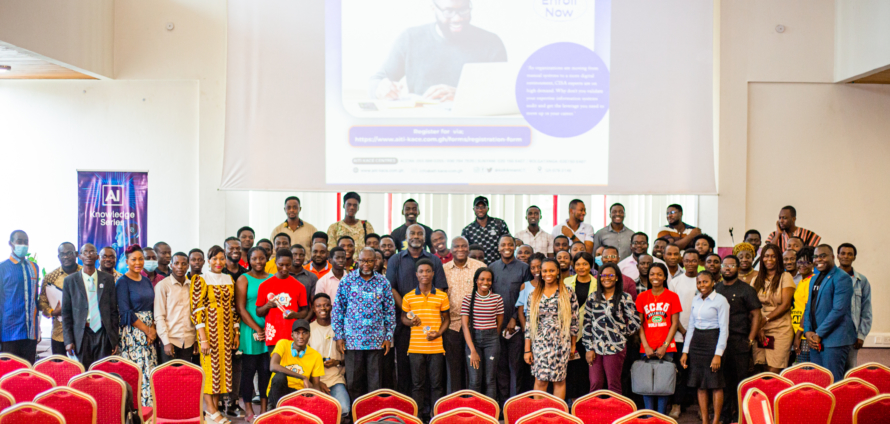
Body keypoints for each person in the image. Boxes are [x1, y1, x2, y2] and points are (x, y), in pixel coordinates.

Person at [370, 0, 506, 101]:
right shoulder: (410, 38)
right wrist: (381, 89)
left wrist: (462, 96)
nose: (457, 18)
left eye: (464, 10)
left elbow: (504, 94)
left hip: (472, 125)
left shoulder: (491, 43)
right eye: (448, 11)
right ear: (433, 8)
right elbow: (376, 80)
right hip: (421, 124)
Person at [387, 224, 448, 398]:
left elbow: (441, 288)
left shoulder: (434, 260)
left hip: (430, 323)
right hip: (404, 321)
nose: (416, 236)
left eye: (420, 233)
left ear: (424, 237)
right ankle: (407, 406)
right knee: (405, 367)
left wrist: (428, 311)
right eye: (412, 233)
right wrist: (409, 311)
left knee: (432, 371)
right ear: (406, 237)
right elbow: (391, 288)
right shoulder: (395, 260)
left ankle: (428, 407)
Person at [333, 248, 396, 403]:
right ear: (357, 261)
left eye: (369, 261)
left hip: (376, 341)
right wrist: (339, 336)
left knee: (375, 383)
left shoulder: (383, 282)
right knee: (354, 382)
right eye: (362, 261)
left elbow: (389, 312)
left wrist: (388, 337)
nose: (365, 264)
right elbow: (338, 309)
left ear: (375, 262)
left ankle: (372, 413)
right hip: (352, 341)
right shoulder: (347, 281)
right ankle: (356, 414)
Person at [190, 246, 240, 424]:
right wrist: (202, 338)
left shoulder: (229, 279)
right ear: (208, 261)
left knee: (222, 371)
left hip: (226, 331)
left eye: (221, 258)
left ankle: (214, 412)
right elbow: (197, 310)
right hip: (209, 331)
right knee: (209, 370)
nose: (218, 262)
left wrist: (236, 333)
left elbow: (233, 307)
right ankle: (210, 409)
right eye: (214, 259)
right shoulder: (200, 279)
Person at [401, 258, 450, 420]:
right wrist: (411, 322)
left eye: (428, 271)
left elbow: (447, 319)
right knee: (417, 385)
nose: (425, 274)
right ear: (416, 274)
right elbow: (403, 318)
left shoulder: (441, 296)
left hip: (436, 348)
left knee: (436, 385)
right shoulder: (409, 297)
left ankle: (436, 418)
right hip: (415, 348)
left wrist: (438, 333)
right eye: (421, 271)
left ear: (433, 273)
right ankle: (418, 418)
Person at [715, 255, 762, 424]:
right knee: (722, 381)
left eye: (731, 265)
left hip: (739, 341)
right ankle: (724, 416)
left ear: (738, 267)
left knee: (740, 382)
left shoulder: (746, 290)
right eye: (725, 265)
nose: (727, 268)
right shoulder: (715, 288)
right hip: (719, 343)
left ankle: (740, 416)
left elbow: (756, 315)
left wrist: (750, 340)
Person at [523, 258, 579, 400]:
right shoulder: (533, 294)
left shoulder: (568, 292)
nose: (548, 274)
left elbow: (574, 321)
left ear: (558, 272)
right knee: (540, 380)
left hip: (561, 343)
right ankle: (539, 412)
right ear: (541, 273)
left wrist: (573, 346)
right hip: (540, 344)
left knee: (559, 380)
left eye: (552, 270)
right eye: (545, 271)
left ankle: (557, 412)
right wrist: (527, 350)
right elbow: (529, 324)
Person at [583, 262, 640, 393]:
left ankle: (615, 407)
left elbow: (635, 322)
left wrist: (621, 333)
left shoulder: (624, 297)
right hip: (595, 348)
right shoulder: (593, 298)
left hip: (616, 347)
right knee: (595, 383)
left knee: (613, 384)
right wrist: (589, 348)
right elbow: (587, 324)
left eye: (611, 275)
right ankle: (595, 407)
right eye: (603, 275)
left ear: (617, 278)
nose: (607, 278)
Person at [680, 271, 729, 424]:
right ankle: (705, 421)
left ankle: (715, 421)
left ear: (713, 283)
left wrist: (718, 354)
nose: (702, 285)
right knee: (700, 385)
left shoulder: (721, 300)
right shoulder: (696, 299)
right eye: (699, 282)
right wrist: (685, 351)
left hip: (713, 341)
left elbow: (724, 329)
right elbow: (691, 326)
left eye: (705, 282)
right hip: (697, 343)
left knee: (716, 384)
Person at [803, 244, 856, 382]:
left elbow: (839, 310)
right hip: (815, 341)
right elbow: (809, 306)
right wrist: (807, 331)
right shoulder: (814, 278)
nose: (819, 259)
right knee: (818, 381)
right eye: (816, 256)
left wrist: (819, 333)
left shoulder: (842, 278)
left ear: (833, 257)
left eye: (823, 256)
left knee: (832, 382)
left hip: (834, 341)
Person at [62, 243, 119, 370]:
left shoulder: (108, 279)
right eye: (85, 252)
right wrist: (68, 340)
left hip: (103, 332)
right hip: (82, 334)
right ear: (80, 256)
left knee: (102, 372)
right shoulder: (70, 281)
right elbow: (66, 314)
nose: (89, 255)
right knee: (83, 372)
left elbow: (113, 311)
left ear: (97, 257)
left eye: (92, 252)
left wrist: (114, 339)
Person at [490, 235, 533, 404]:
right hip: (496, 326)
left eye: (510, 244)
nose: (506, 247)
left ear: (515, 247)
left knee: (516, 367)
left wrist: (515, 318)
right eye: (503, 245)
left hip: (516, 326)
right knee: (500, 367)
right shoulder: (492, 268)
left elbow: (527, 296)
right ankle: (503, 404)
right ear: (498, 248)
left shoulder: (524, 268)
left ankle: (515, 404)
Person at [636, 263, 682, 414]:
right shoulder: (642, 297)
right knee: (646, 384)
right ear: (648, 276)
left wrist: (665, 345)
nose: (655, 277)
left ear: (664, 277)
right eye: (652, 274)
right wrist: (646, 346)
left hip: (667, 347)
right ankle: (649, 416)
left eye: (659, 274)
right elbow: (639, 324)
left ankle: (661, 417)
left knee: (663, 384)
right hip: (646, 347)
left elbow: (675, 324)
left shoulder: (672, 296)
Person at [116, 245, 158, 407]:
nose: (138, 262)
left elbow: (153, 307)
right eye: (133, 259)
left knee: (149, 368)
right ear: (127, 261)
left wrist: (152, 328)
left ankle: (149, 408)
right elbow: (125, 312)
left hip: (150, 331)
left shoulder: (146, 281)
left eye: (141, 259)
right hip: (133, 332)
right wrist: (147, 330)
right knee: (137, 371)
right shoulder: (122, 282)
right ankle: (136, 409)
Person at [442, 236, 484, 393]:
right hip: (451, 325)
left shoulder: (479, 267)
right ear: (451, 249)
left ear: (468, 248)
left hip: (476, 325)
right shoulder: (444, 269)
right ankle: (454, 402)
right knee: (453, 368)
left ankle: (473, 402)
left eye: (464, 246)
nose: (460, 249)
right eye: (457, 246)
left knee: (474, 369)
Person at [235, 247, 271, 420]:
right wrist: (257, 328)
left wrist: (266, 329)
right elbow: (240, 308)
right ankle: (248, 409)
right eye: (254, 258)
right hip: (250, 330)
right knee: (248, 371)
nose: (258, 262)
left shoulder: (272, 278)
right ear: (249, 260)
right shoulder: (244, 279)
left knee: (266, 371)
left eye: (261, 258)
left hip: (269, 331)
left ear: (267, 259)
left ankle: (264, 409)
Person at [750, 244, 795, 373]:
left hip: (780, 327)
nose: (769, 259)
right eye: (766, 256)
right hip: (760, 327)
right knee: (762, 366)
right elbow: (752, 306)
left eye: (773, 256)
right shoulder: (755, 280)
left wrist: (764, 320)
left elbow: (785, 305)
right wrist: (759, 327)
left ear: (778, 259)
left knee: (775, 368)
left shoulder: (785, 277)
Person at [460, 267, 503, 399]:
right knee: (474, 380)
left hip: (492, 340)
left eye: (489, 280)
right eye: (482, 279)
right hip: (473, 340)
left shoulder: (497, 298)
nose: (485, 282)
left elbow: (499, 323)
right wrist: (472, 350)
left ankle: (490, 410)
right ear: (476, 281)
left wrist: (492, 339)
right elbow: (465, 326)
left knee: (490, 380)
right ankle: (473, 410)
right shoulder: (468, 299)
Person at [308, 294, 350, 423]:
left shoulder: (340, 328)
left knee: (344, 409)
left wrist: (337, 362)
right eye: (318, 306)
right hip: (315, 381)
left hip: (336, 379)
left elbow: (352, 358)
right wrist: (316, 383)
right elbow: (303, 361)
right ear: (313, 308)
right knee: (317, 412)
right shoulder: (308, 330)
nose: (323, 308)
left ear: (331, 307)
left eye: (326, 305)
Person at [257, 249, 310, 350]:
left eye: (288, 265)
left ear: (292, 263)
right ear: (275, 262)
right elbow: (258, 312)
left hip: (293, 336)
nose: (284, 268)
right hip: (273, 336)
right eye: (281, 265)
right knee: (274, 360)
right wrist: (267, 306)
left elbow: (305, 311)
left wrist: (295, 315)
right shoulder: (264, 286)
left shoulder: (299, 286)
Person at [266, 320, 325, 409]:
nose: (301, 336)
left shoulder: (316, 356)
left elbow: (316, 385)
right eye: (297, 333)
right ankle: (276, 410)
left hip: (299, 393)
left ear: (309, 335)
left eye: (304, 333)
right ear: (292, 335)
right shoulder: (283, 344)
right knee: (279, 377)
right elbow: (273, 366)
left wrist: (317, 402)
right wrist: (303, 377)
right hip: (278, 392)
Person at [670, 250, 700, 418]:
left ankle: (701, 406)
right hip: (680, 335)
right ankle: (676, 405)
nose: (690, 264)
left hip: (701, 335)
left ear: (698, 262)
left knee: (700, 372)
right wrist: (683, 330)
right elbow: (672, 310)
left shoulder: (704, 280)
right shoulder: (675, 282)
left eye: (693, 260)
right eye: (687, 260)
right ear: (683, 262)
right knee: (681, 372)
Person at [564, 252, 597, 400]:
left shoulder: (598, 284)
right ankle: (571, 401)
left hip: (590, 333)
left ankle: (584, 402)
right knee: (570, 370)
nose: (581, 267)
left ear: (591, 266)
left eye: (585, 264)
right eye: (578, 264)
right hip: (569, 332)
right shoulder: (566, 282)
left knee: (586, 369)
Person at [155, 252, 197, 364]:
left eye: (184, 264)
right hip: (171, 340)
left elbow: (196, 314)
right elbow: (159, 316)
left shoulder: (192, 286)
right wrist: (166, 342)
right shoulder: (163, 285)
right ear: (171, 265)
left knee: (185, 374)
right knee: (169, 374)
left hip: (188, 341)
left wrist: (195, 340)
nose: (180, 267)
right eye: (176, 263)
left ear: (188, 266)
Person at [39, 242, 81, 355]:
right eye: (62, 254)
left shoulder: (85, 273)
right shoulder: (50, 277)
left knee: (83, 366)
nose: (66, 257)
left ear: (76, 254)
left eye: (69, 253)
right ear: (58, 257)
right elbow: (42, 302)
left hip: (83, 333)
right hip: (59, 333)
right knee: (59, 365)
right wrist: (52, 312)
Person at [836, 243, 871, 370]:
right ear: (837, 256)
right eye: (843, 253)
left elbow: (866, 310)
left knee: (850, 371)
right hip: (832, 334)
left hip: (852, 335)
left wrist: (861, 335)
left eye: (849, 254)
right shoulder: (829, 277)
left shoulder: (862, 281)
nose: (846, 256)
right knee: (832, 371)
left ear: (854, 257)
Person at [462, 196, 511, 265]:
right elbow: (465, 251)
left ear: (488, 208)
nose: (480, 210)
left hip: (498, 265)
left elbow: (508, 242)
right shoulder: (467, 230)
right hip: (476, 266)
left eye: (483, 207)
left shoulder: (499, 224)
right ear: (474, 209)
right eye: (477, 207)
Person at [327, 192, 375, 260]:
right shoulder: (334, 227)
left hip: (362, 264)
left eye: (355, 205)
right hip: (341, 263)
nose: (352, 207)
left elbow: (372, 248)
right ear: (344, 206)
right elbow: (332, 251)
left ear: (358, 208)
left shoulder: (366, 226)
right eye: (349, 205)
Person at [791, 247, 816, 365]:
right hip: (799, 332)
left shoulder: (811, 281)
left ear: (813, 264)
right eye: (800, 262)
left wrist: (798, 334)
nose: (802, 265)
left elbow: (808, 309)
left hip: (805, 334)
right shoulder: (802, 281)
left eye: (807, 262)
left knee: (805, 369)